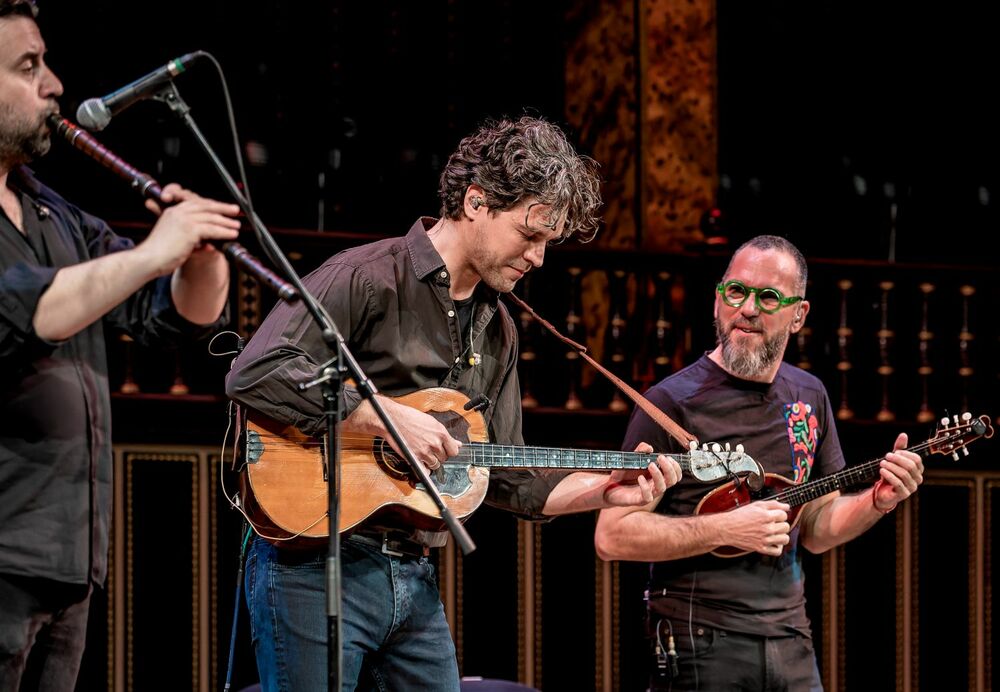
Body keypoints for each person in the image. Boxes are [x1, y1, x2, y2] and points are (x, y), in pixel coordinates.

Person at [225, 115, 683, 691]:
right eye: (530, 234)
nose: (539, 258)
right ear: (475, 202)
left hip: (413, 574)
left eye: (548, 242)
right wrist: (381, 416)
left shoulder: (500, 330)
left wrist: (605, 489)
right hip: (314, 565)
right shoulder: (366, 277)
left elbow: (510, 476)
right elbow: (258, 370)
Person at [0, 2, 243, 689]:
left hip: (68, 558)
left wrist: (198, 257)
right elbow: (28, 311)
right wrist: (150, 254)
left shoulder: (52, 210)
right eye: (28, 66)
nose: (53, 84)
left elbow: (171, 319)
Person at [594, 235, 925, 691]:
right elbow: (612, 535)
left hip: (790, 639)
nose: (747, 308)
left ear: (799, 315)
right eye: (736, 292)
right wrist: (726, 529)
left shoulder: (809, 396)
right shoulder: (669, 403)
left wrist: (876, 500)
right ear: (717, 301)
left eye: (768, 297)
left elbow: (816, 528)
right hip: (698, 640)